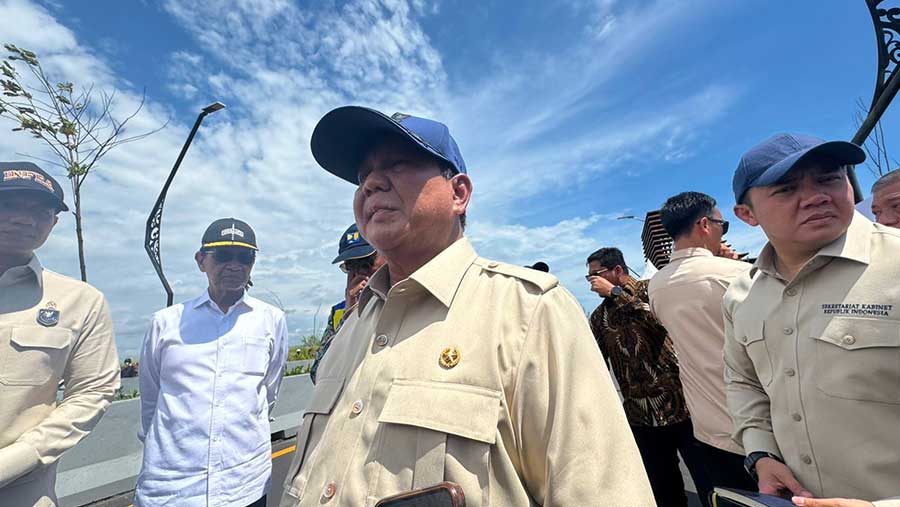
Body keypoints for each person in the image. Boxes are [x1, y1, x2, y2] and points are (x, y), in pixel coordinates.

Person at [280, 106, 654, 506]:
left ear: (458, 193)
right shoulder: (353, 324)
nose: (371, 182)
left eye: (396, 164)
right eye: (362, 176)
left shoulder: (529, 312)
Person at [724, 133, 900, 507]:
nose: (817, 196)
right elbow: (743, 379)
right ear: (747, 215)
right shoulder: (742, 294)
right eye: (787, 189)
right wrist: (761, 453)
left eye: (829, 178)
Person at [135, 218, 289, 507]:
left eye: (245, 257)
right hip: (173, 489)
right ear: (201, 260)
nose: (234, 265)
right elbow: (151, 400)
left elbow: (269, 391)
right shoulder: (165, 323)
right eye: (222, 255)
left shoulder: (272, 320)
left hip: (244, 485)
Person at [0, 161, 120, 507]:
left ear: (53, 223)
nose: (25, 218)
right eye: (9, 204)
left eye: (40, 210)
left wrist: (15, 460)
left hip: (21, 494)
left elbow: (94, 390)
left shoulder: (80, 301)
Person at [648, 191, 757, 500]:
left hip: (707, 425)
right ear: (705, 224)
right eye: (724, 225)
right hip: (760, 426)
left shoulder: (656, 286)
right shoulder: (737, 275)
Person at [586, 247, 704, 507]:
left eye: (596, 274)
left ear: (617, 270)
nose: (592, 282)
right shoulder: (599, 317)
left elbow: (661, 323)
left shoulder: (652, 291)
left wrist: (617, 294)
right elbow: (597, 362)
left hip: (682, 406)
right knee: (663, 490)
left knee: (707, 482)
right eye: (589, 277)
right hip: (641, 416)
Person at [310, 223, 384, 384]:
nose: (359, 273)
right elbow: (318, 374)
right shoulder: (339, 312)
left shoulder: (402, 301)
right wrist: (350, 313)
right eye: (351, 266)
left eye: (366, 263)